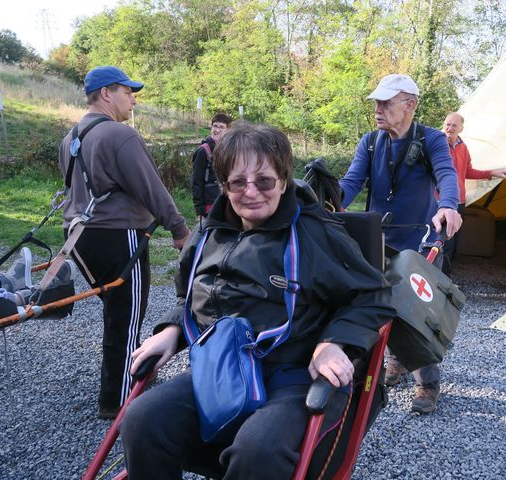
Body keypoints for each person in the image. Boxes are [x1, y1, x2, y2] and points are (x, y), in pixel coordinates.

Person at [120, 123, 394, 479]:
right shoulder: (208, 233)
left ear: (282, 181)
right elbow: (187, 292)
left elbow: (373, 295)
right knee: (142, 420)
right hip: (222, 371)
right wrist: (174, 327)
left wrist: (333, 343)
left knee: (257, 451)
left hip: (293, 374)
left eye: (264, 181)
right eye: (238, 182)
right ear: (224, 185)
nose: (251, 192)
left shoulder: (316, 233)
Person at [57, 65, 190, 419]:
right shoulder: (119, 135)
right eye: (127, 91)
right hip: (118, 236)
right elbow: (151, 188)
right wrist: (179, 229)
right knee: (127, 318)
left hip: (79, 237)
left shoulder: (71, 137)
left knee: (116, 312)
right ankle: (118, 400)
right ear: (106, 94)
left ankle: (122, 382)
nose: (133, 99)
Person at [339, 73, 462, 414]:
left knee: (415, 314)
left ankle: (428, 382)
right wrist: (328, 200)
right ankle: (396, 361)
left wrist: (448, 205)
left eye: (385, 103)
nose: (378, 109)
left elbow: (446, 174)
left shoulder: (433, 139)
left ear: (409, 105)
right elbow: (351, 182)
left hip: (420, 241)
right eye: (376, 102)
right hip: (376, 239)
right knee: (378, 304)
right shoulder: (371, 141)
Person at [441, 111, 506, 274]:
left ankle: (446, 278)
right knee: (441, 242)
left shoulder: (463, 147)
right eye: (447, 124)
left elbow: (467, 172)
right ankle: (435, 280)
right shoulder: (437, 144)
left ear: (461, 128)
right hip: (441, 201)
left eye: (454, 125)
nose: (450, 128)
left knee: (453, 243)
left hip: (459, 202)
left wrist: (491, 173)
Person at [192, 113, 233, 221]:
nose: (217, 130)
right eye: (215, 126)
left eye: (221, 127)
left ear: (227, 130)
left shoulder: (230, 150)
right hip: (210, 206)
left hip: (228, 203)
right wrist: (199, 211)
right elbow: (197, 182)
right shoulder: (203, 151)